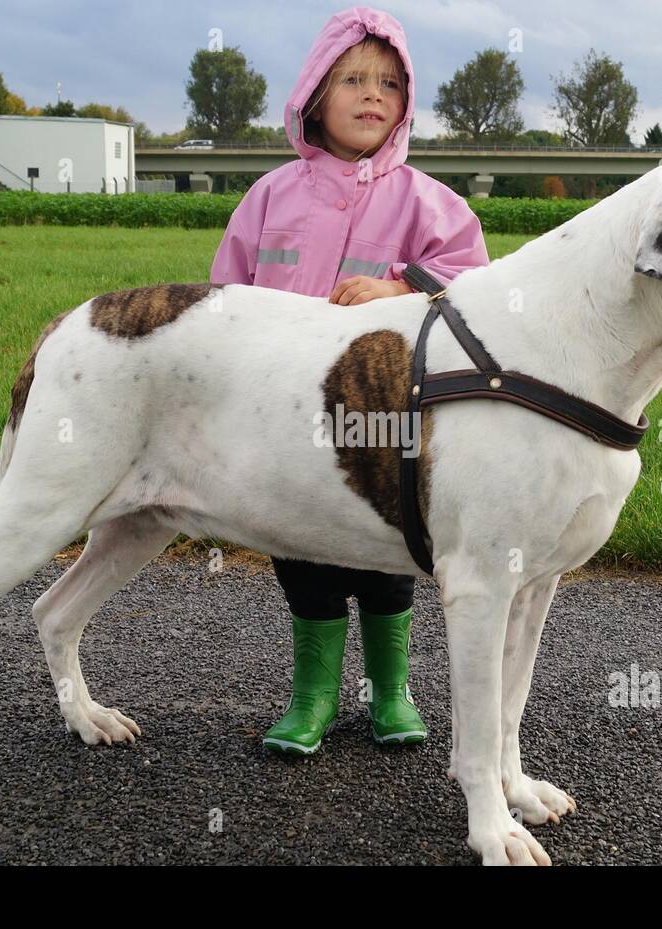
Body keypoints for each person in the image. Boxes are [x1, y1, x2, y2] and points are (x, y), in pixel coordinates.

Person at [209, 6, 490, 754]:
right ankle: (313, 700)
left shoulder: (429, 202)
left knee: (389, 558)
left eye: (389, 83)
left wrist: (401, 287)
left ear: (405, 102)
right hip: (286, 415)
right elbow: (224, 297)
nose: (373, 95)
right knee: (300, 555)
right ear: (313, 94)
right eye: (353, 79)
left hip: (388, 416)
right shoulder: (271, 197)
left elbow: (477, 282)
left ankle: (391, 694)